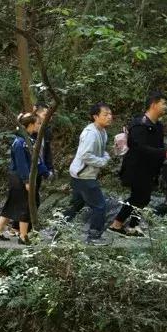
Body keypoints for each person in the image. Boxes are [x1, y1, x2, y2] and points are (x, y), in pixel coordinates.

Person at [111, 91, 167, 236]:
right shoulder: (139, 124)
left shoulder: (158, 125)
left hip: (150, 169)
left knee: (143, 198)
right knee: (138, 197)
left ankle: (131, 225)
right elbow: (139, 147)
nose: (166, 106)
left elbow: (157, 146)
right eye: (163, 103)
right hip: (137, 168)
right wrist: (163, 153)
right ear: (153, 104)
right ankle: (117, 224)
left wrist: (162, 156)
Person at [0, 113, 47, 245]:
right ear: (31, 125)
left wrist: (44, 171)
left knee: (13, 203)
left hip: (19, 176)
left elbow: (36, 160)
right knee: (26, 205)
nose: (39, 125)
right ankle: (23, 235)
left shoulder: (27, 140)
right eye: (38, 123)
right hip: (19, 177)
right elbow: (22, 164)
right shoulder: (20, 142)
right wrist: (27, 181)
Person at [63, 103, 113, 243]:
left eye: (110, 114)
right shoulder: (90, 133)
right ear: (95, 116)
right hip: (84, 176)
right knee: (99, 205)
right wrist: (102, 161)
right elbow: (86, 155)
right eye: (105, 114)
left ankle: (54, 229)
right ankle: (94, 236)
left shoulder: (102, 131)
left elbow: (100, 152)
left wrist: (106, 156)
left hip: (80, 174)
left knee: (77, 204)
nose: (109, 117)